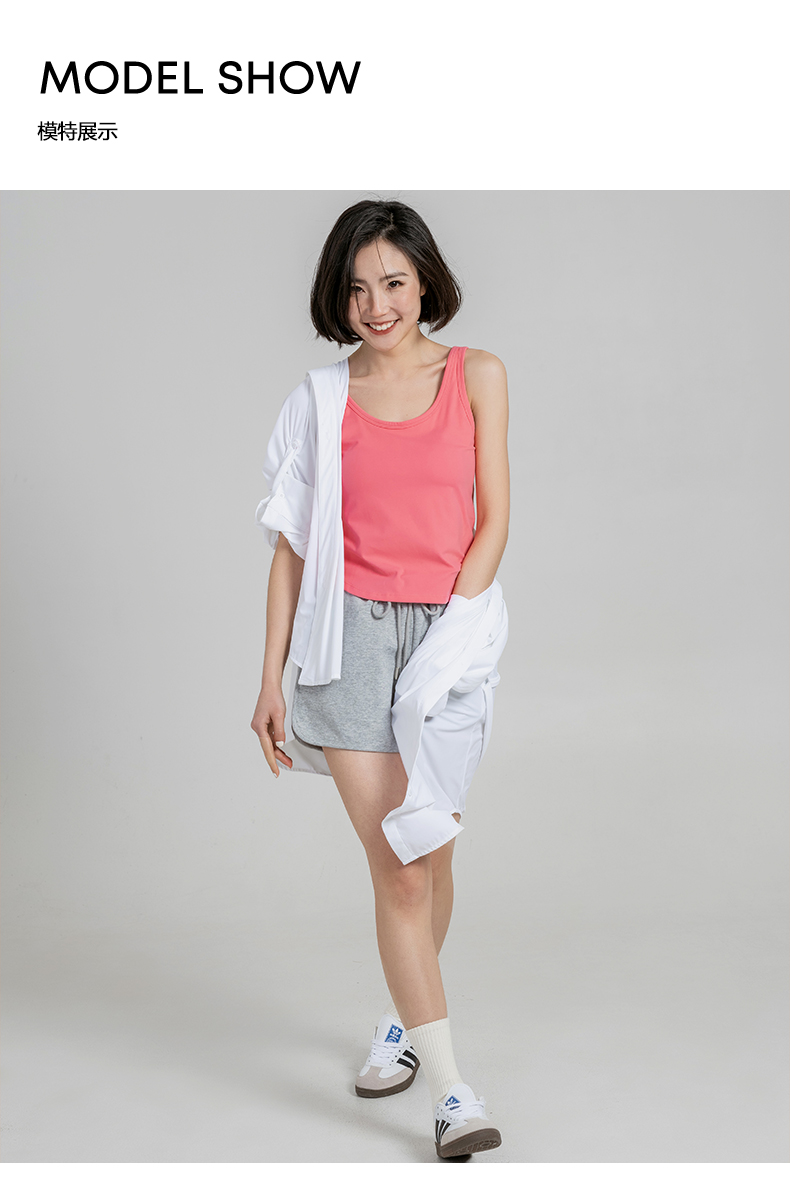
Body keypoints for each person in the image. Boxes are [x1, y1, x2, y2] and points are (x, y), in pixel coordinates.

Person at [251, 198, 510, 1160]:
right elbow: (290, 549)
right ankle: (451, 1096)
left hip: (449, 633)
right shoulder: (319, 400)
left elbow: (494, 521)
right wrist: (270, 677)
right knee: (399, 867)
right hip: (348, 641)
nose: (377, 305)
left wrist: (450, 641)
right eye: (358, 288)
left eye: (394, 282)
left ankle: (403, 1018)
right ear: (339, 295)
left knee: (433, 857)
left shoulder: (477, 375)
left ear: (425, 281)